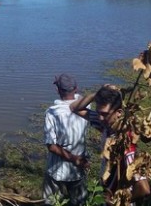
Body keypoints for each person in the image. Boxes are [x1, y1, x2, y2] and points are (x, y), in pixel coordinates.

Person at [70, 85, 151, 205]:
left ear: (119, 113)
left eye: (104, 113)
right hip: (106, 191)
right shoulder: (106, 125)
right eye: (98, 113)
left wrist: (119, 202)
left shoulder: (126, 142)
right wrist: (97, 93)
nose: (99, 117)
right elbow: (74, 107)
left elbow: (144, 188)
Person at [43, 74, 90, 206]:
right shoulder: (87, 108)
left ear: (57, 91)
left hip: (56, 170)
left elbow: (51, 146)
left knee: (51, 202)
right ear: (76, 88)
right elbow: (82, 99)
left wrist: (74, 159)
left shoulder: (52, 112)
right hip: (78, 169)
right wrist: (77, 160)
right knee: (79, 202)